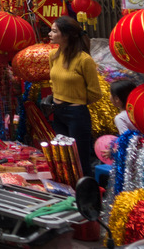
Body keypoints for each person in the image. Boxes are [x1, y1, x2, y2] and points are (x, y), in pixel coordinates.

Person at [48, 15, 101, 177]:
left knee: (80, 159)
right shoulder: (53, 56)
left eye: (54, 31)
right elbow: (53, 82)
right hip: (57, 112)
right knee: (63, 158)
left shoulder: (84, 60)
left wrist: (76, 101)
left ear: (66, 35)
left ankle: (87, 196)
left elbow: (95, 93)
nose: (50, 34)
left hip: (76, 114)